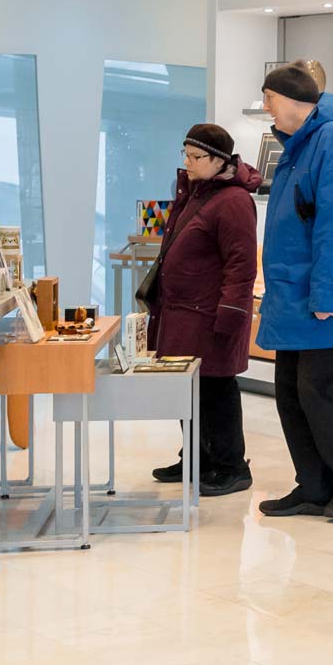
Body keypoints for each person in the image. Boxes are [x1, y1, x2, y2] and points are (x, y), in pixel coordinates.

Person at [254, 61, 333, 520]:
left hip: (320, 297)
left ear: (291, 100)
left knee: (320, 390)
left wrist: (326, 295)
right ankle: (313, 483)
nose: (265, 107)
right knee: (290, 390)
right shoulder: (296, 145)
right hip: (292, 294)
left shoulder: (332, 141)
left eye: (269, 98)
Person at [145, 124, 259, 497]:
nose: (188, 163)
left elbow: (241, 265)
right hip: (181, 312)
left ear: (218, 160)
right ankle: (197, 456)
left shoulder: (234, 201)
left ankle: (231, 466)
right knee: (186, 387)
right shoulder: (196, 194)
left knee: (216, 389)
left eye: (196, 157)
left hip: (208, 314)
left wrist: (230, 314)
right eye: (186, 155)